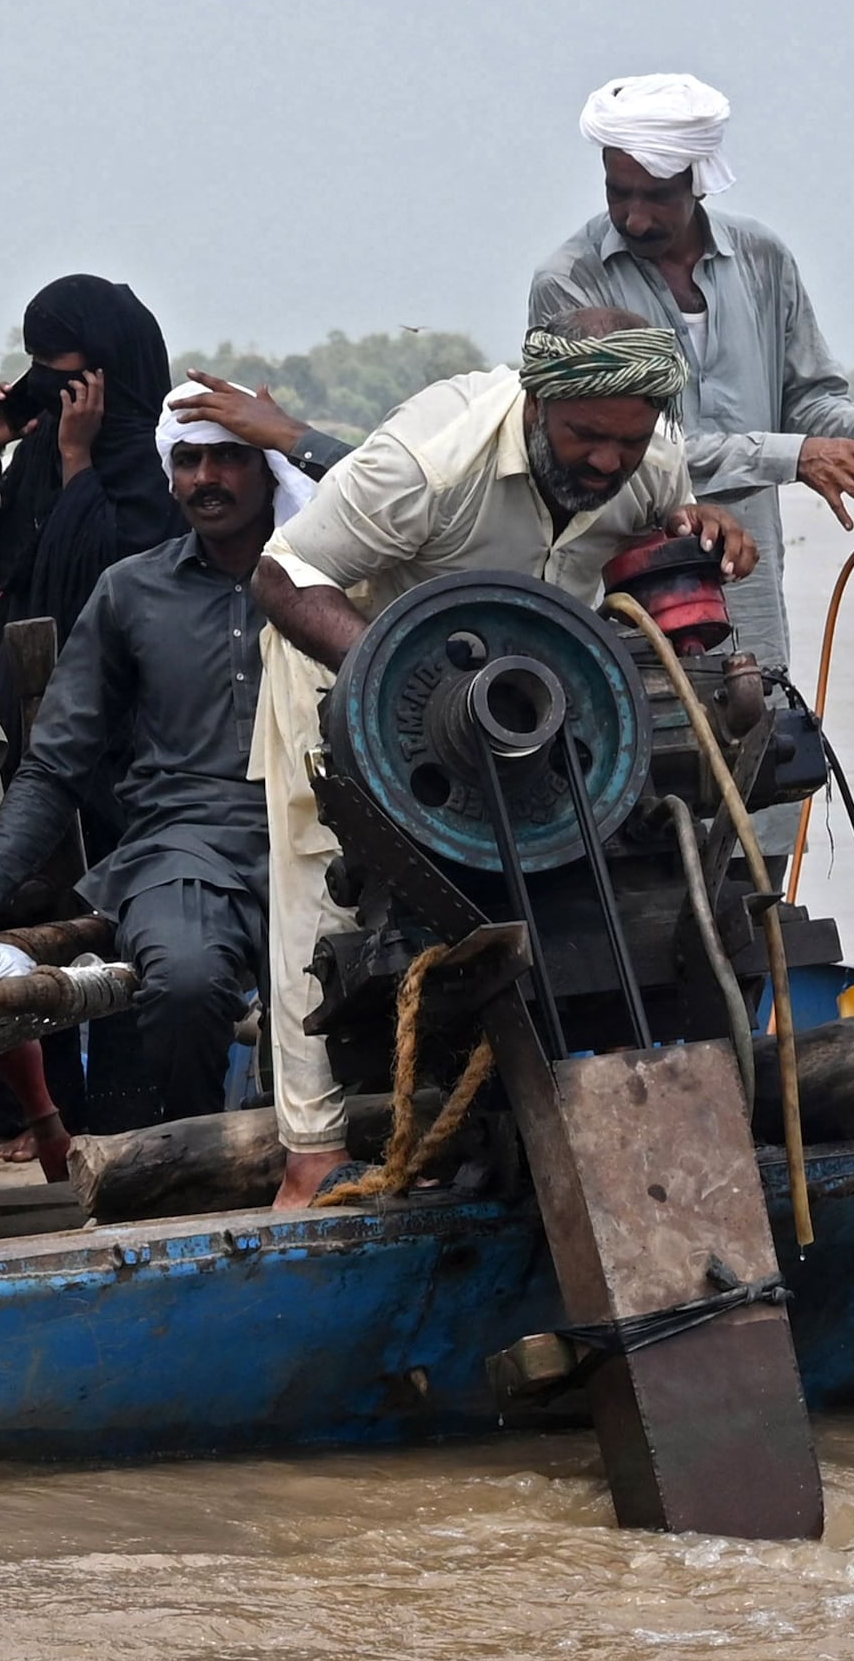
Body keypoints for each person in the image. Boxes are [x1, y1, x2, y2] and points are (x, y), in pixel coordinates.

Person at [245, 317, 752, 1204]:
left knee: (551, 872)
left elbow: (654, 535)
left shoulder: (652, 460)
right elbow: (282, 574)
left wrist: (700, 524)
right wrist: (396, 677)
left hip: (519, 703)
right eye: (584, 435)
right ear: (537, 402)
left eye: (626, 442)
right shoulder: (427, 463)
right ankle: (312, 1157)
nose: (605, 461)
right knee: (327, 891)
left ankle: (537, 1100)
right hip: (351, 667)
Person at [0, 391, 300, 1128]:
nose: (207, 477)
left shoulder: (329, 577)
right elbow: (54, 766)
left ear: (270, 469)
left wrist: (299, 435)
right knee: (181, 983)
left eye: (231, 456)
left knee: (368, 978)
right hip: (185, 849)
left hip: (320, 835)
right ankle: (200, 1158)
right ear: (169, 475)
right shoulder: (132, 590)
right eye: (189, 459)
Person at [523, 74, 854, 677]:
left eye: (657, 196)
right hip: (623, 586)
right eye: (619, 193)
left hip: (749, 580)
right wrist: (794, 456)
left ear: (699, 179)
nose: (634, 219)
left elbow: (812, 405)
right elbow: (627, 450)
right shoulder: (569, 281)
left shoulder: (763, 258)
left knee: (763, 740)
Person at [0, 273, 180, 643]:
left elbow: (100, 573)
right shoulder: (46, 436)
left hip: (105, 671)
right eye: (34, 358)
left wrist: (77, 457)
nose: (40, 374)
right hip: (14, 663)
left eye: (51, 356)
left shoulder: (163, 464)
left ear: (104, 358)